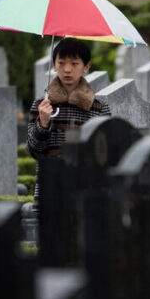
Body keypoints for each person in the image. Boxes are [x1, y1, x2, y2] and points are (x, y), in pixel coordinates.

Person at [26, 37, 111, 204]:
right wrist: (43, 123)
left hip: (86, 188)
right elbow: (34, 152)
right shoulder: (42, 105)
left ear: (86, 66)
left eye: (74, 64)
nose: (67, 69)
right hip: (49, 186)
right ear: (53, 65)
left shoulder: (99, 107)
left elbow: (104, 153)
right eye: (61, 63)